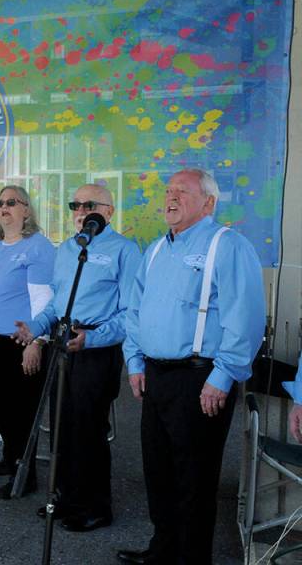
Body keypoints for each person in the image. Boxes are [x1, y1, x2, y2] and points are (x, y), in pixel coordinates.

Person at [119, 168, 264, 565]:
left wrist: (223, 377)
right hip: (156, 375)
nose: (171, 197)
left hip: (200, 378)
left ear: (209, 203)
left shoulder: (228, 246)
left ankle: (190, 559)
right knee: (159, 473)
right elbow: (135, 312)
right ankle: (163, 551)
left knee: (194, 481)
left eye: (182, 191)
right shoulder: (154, 250)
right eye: (168, 190)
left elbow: (245, 317)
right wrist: (134, 361)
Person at [14, 182, 141, 531]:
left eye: (90, 205)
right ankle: (64, 497)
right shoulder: (68, 249)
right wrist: (35, 328)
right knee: (61, 425)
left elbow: (132, 311)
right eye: (76, 205)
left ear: (109, 212)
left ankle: (96, 506)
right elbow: (57, 303)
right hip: (63, 343)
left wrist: (94, 338)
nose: (82, 212)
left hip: (97, 349)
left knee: (89, 429)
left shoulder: (125, 250)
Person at [0, 185, 55, 499]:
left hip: (18, 342)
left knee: (21, 411)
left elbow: (44, 300)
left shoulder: (38, 246)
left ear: (27, 210)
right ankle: (10, 458)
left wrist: (38, 341)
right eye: (0, 203)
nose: (4, 208)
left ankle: (24, 474)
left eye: (12, 203)